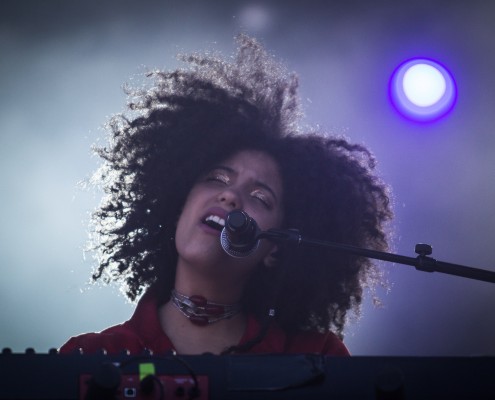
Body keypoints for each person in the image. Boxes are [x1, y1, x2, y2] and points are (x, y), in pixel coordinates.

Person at [60, 35, 392, 356]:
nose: (231, 197)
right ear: (179, 209)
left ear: (275, 248)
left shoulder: (315, 357)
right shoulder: (92, 355)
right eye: (217, 178)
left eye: (260, 198)